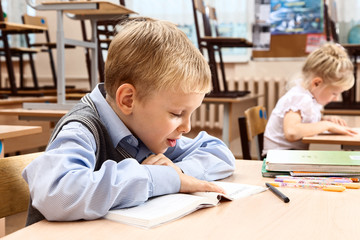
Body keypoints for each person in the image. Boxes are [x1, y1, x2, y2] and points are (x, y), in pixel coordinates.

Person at [22, 17, 235, 225]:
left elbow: (218, 152)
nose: (187, 127)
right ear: (128, 100)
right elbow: (57, 193)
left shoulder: (142, 128)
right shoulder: (81, 129)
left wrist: (177, 175)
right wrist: (159, 178)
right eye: (176, 113)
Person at [263, 43, 357, 156]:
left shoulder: (308, 97)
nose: (336, 99)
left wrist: (324, 119)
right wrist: (327, 125)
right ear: (316, 83)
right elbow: (292, 132)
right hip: (279, 158)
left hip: (287, 156)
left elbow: (304, 121)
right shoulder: (300, 97)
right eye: (334, 93)